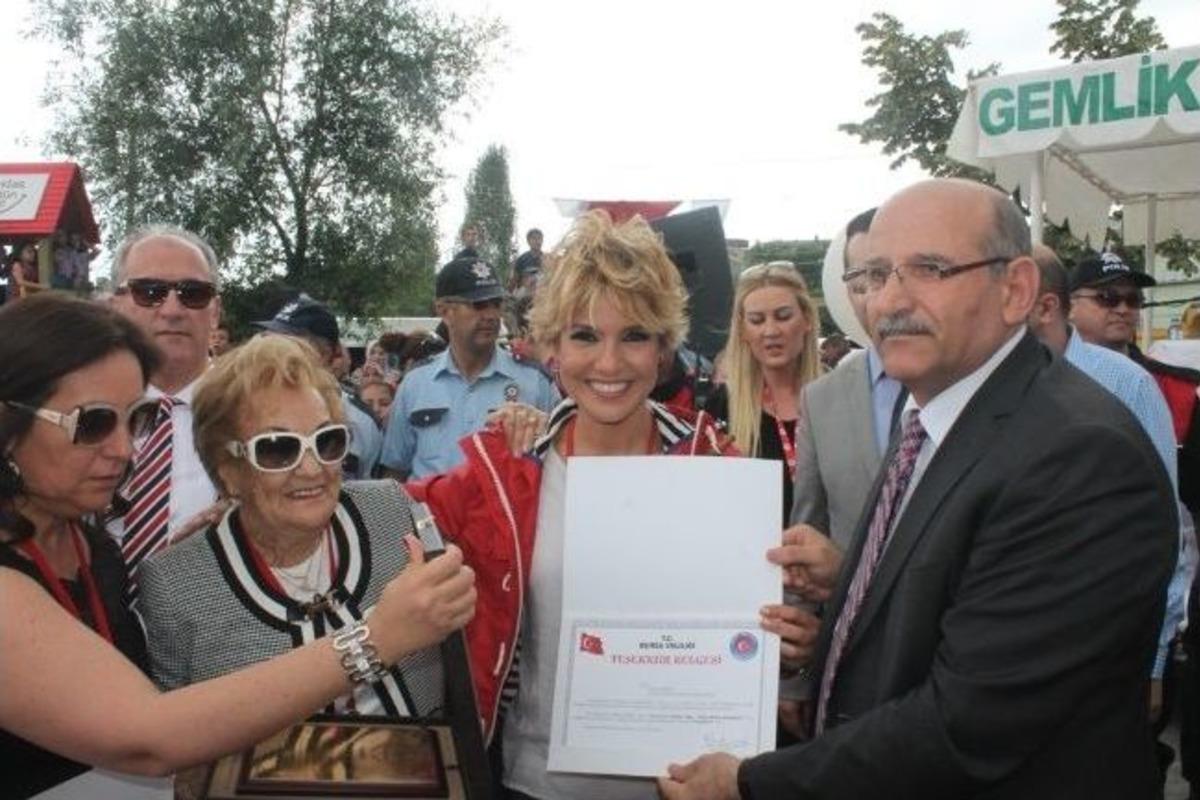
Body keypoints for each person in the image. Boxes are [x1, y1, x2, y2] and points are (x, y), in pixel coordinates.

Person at [662, 178, 1177, 799]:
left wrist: (746, 782)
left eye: (930, 269)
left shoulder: (1081, 458)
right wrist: (847, 587)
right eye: (876, 275)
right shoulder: (935, 412)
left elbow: (968, 724)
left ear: (1016, 290)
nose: (889, 302)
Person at [0, 295, 475, 799]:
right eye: (92, 422)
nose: (124, 449)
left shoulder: (93, 550)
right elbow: (150, 736)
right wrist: (376, 637)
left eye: (135, 419)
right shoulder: (171, 581)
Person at [408, 211, 803, 800]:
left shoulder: (717, 464)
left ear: (664, 348)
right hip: (533, 783)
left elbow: (764, 632)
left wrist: (794, 640)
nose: (610, 364)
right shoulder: (507, 470)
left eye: (635, 336)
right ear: (551, 346)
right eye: (585, 336)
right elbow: (383, 523)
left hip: (686, 785)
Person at [137, 335, 467, 721]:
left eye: (327, 441)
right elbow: (175, 734)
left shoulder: (392, 512)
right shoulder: (176, 584)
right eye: (278, 448)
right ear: (227, 470)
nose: (312, 469)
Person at [107, 225, 222, 584]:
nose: (172, 310)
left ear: (215, 312)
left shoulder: (259, 410)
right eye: (149, 292)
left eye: (193, 293)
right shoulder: (74, 411)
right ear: (115, 306)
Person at [382, 256, 559, 480]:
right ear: (444, 311)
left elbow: (560, 466)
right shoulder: (415, 384)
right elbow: (395, 471)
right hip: (429, 503)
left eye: (496, 304)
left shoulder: (535, 382)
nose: (491, 315)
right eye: (478, 305)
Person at [1070, 251, 1200, 518]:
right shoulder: (1042, 379)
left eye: (1133, 299)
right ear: (1069, 306)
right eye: (1107, 297)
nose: (1123, 309)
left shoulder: (1178, 389)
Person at [705, 262, 822, 523]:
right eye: (757, 320)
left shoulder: (838, 397)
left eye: (783, 316)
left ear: (807, 320)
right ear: (743, 330)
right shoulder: (722, 405)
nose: (771, 331)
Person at [254, 295, 383, 480]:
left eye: (288, 345)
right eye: (270, 342)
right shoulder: (249, 410)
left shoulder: (363, 422)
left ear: (326, 353)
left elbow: (367, 484)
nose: (274, 354)